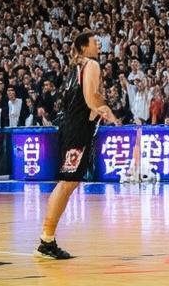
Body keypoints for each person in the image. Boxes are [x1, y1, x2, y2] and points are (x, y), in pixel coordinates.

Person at [35, 30, 119, 259]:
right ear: (83, 46)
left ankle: (47, 240)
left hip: (70, 126)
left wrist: (100, 107)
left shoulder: (75, 68)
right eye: (95, 42)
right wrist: (105, 108)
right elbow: (91, 98)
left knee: (68, 184)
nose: (98, 45)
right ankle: (46, 241)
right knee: (66, 184)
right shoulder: (91, 64)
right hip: (78, 129)